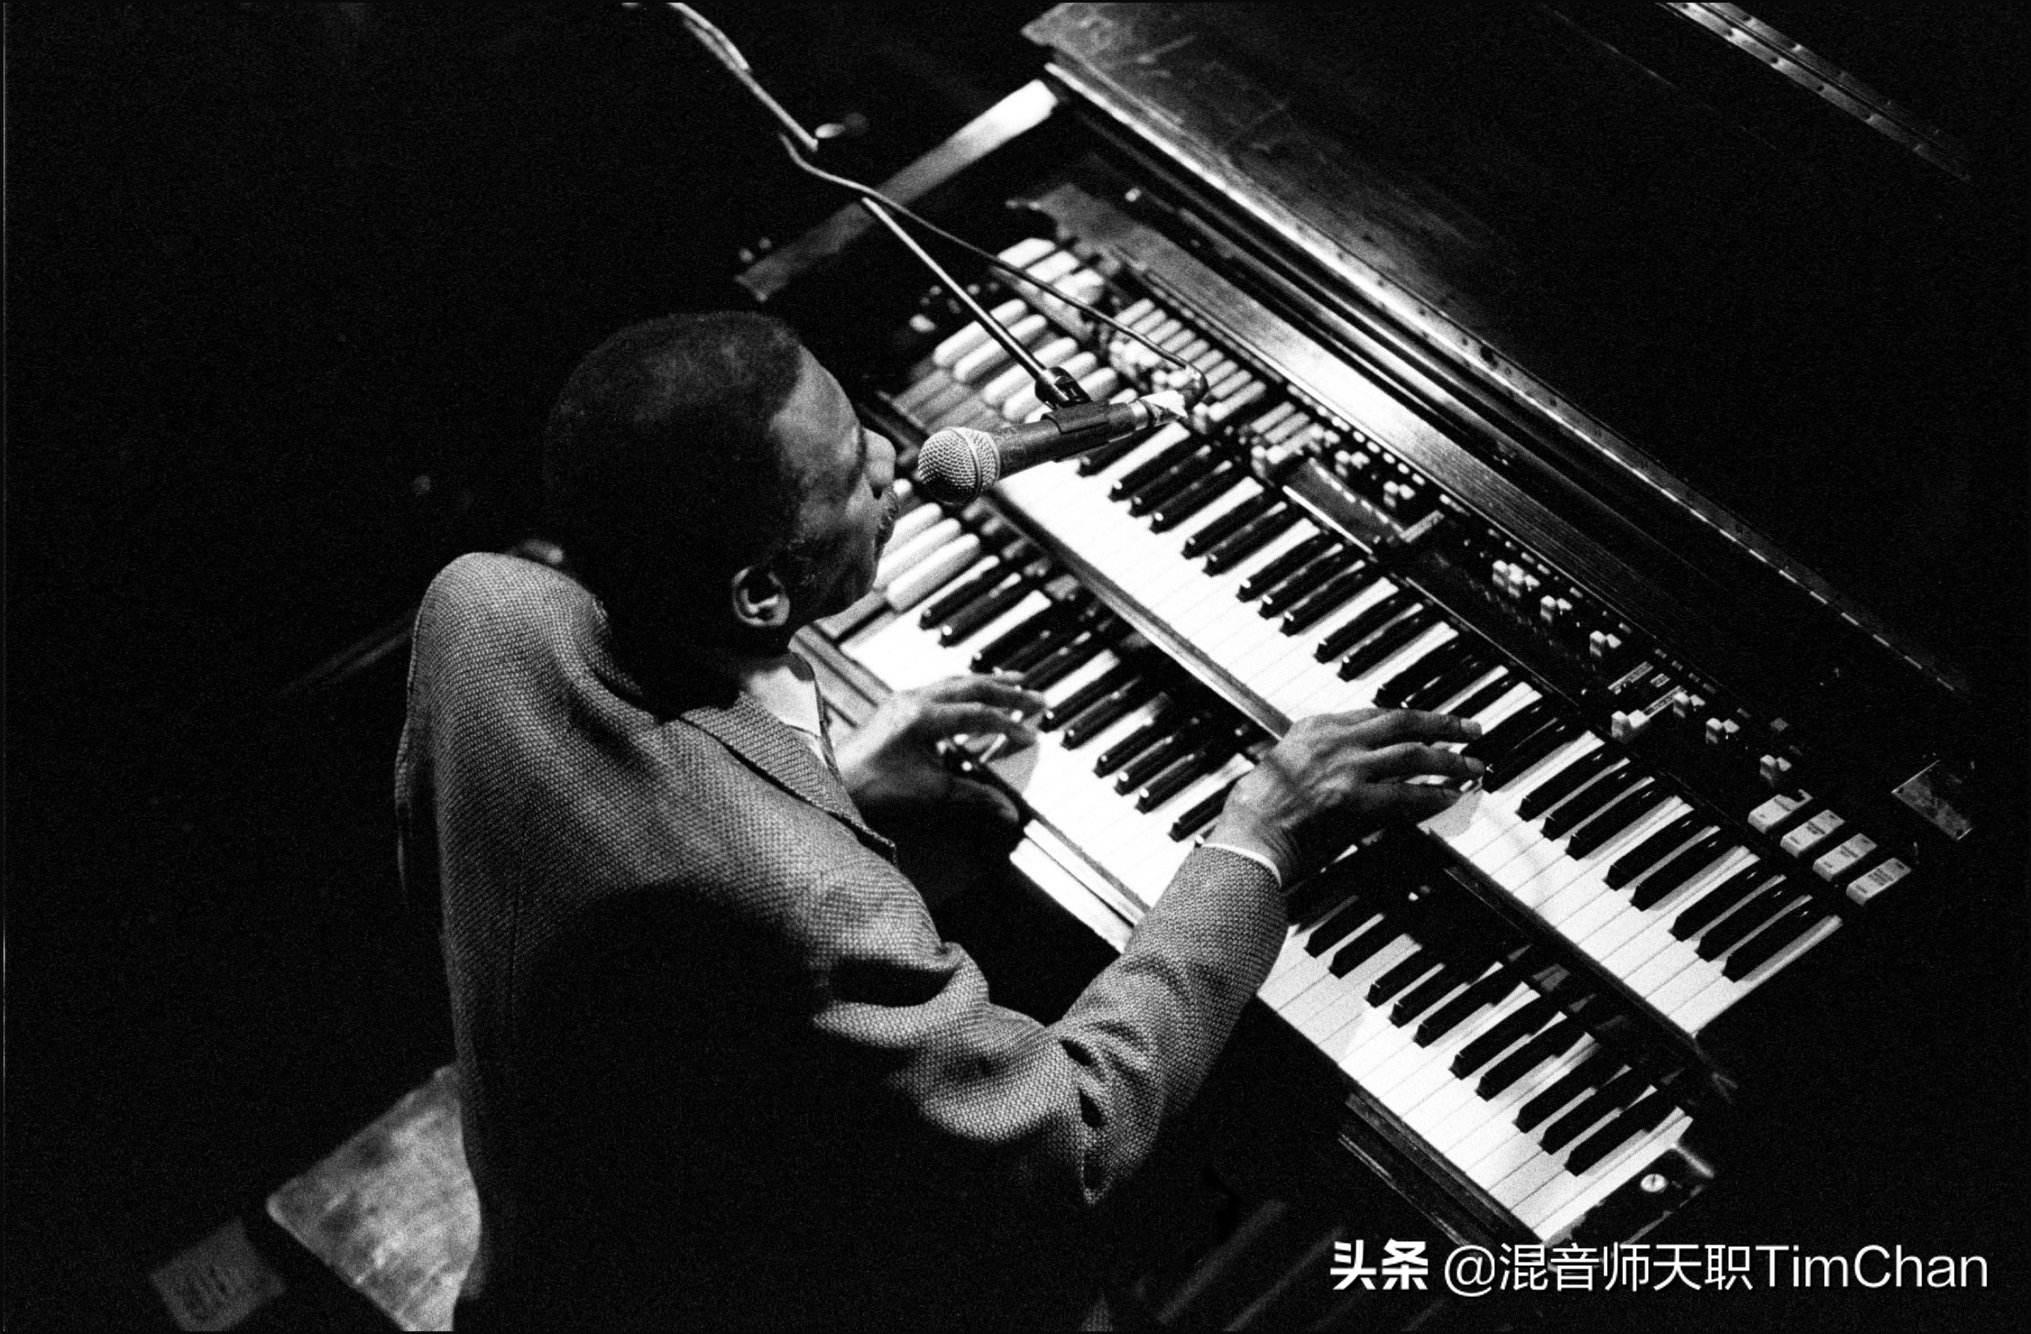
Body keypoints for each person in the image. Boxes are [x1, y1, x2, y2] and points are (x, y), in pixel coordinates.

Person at [396, 311, 1484, 1330]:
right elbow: (1071, 1136)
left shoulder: (479, 609)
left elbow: (542, 871)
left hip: (559, 1235)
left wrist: (826, 790)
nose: (895, 460)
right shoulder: (820, 908)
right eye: (850, 475)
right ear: (763, 595)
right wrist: (1259, 839)